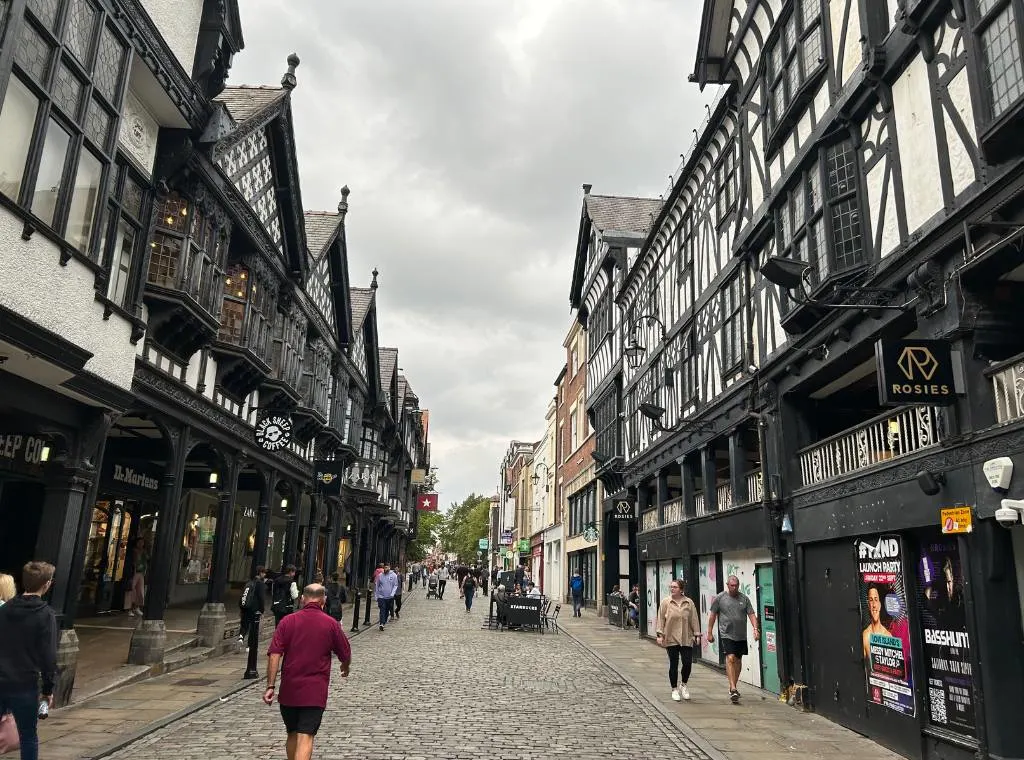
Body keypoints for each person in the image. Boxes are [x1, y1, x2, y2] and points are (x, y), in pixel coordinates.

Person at [264, 584, 351, 760]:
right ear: (323, 601)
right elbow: (345, 652)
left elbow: (274, 655)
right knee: (306, 736)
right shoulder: (331, 624)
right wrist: (345, 665)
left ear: (302, 599)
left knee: (292, 733)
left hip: (290, 689)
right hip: (314, 690)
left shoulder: (287, 622)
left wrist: (270, 685)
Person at [0, 561, 58, 760]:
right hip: (24, 683)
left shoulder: (5, 609)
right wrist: (48, 689)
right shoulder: (45, 614)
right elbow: (48, 656)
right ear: (47, 584)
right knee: (27, 737)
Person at [706, 575, 759, 704]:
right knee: (731, 658)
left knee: (739, 660)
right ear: (727, 585)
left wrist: (755, 629)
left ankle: (733, 686)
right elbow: (712, 615)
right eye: (732, 585)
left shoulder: (744, 599)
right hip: (726, 633)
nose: (734, 588)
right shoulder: (720, 598)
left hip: (741, 635)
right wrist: (709, 632)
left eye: (736, 585)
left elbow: (751, 614)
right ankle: (734, 688)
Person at [656, 579, 700, 702]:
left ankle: (683, 684)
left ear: (681, 589)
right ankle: (674, 689)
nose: (672, 589)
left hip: (686, 637)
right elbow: (661, 619)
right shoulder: (666, 602)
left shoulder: (689, 602)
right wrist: (660, 635)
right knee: (673, 664)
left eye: (675, 587)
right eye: (671, 587)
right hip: (671, 637)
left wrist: (697, 634)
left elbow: (694, 619)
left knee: (687, 663)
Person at [861, 585, 893, 659]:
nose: (874, 605)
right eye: (871, 600)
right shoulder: (865, 636)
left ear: (880, 604)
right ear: (868, 605)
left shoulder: (888, 636)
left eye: (876, 599)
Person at [239, 565, 268, 644]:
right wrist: (262, 610)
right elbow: (261, 598)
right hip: (255, 608)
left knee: (244, 624)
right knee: (253, 626)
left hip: (246, 607)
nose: (265, 575)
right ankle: (249, 645)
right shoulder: (260, 584)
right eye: (264, 573)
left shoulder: (249, 582)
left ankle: (241, 637)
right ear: (260, 573)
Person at [124, 537, 148, 617]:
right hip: (133, 572)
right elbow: (131, 562)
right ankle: (129, 609)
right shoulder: (133, 552)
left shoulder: (144, 552)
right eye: (139, 542)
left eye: (142, 542)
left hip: (141, 573)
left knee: (140, 591)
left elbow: (147, 560)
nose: (141, 544)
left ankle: (136, 607)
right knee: (131, 590)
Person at [374, 563, 399, 631]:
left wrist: (392, 593)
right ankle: (381, 623)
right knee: (382, 609)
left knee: (387, 611)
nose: (385, 569)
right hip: (381, 596)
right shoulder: (380, 575)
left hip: (390, 597)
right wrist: (376, 595)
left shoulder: (393, 575)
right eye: (385, 567)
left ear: (389, 567)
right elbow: (377, 585)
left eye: (387, 567)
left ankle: (384, 622)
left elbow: (395, 585)